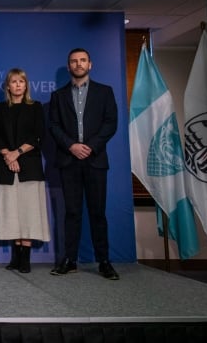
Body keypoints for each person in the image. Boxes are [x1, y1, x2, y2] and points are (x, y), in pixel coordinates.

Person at [48, 48, 119, 280]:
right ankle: (69, 260)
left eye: (82, 60)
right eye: (73, 61)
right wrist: (72, 146)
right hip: (69, 161)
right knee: (72, 213)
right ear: (69, 66)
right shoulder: (58, 96)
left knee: (98, 213)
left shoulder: (104, 92)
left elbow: (111, 123)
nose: (78, 64)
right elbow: (54, 126)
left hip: (95, 160)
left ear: (90, 64)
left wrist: (90, 146)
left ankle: (104, 261)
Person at [0, 68, 51, 274]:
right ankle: (15, 257)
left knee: (28, 212)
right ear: (8, 86)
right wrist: (8, 155)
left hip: (30, 168)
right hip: (7, 167)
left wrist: (17, 153)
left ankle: (26, 258)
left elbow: (38, 135)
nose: (17, 85)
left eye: (21, 82)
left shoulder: (35, 108)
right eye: (14, 82)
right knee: (12, 213)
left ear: (26, 86)